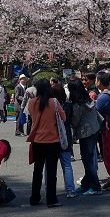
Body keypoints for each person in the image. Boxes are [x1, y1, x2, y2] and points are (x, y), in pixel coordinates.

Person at [26, 78, 66, 208]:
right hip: (52, 140)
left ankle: (35, 197)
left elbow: (32, 116)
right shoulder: (54, 102)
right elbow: (63, 118)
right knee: (51, 171)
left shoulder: (32, 102)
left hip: (37, 140)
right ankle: (51, 199)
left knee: (37, 170)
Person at [67, 78, 104, 196]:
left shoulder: (78, 104)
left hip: (86, 132)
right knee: (88, 158)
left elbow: (75, 121)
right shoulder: (87, 98)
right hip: (94, 129)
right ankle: (86, 184)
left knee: (87, 160)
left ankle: (96, 186)